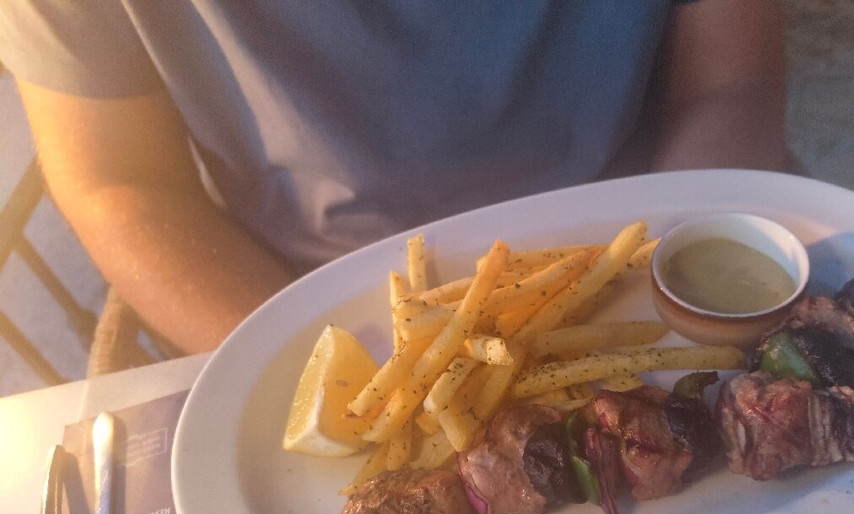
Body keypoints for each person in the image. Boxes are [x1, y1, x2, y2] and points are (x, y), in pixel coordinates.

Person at [0, 1, 788, 355]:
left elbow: (731, 82)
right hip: (301, 296)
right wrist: (318, 367)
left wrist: (664, 294)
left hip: (659, 249)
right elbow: (118, 183)